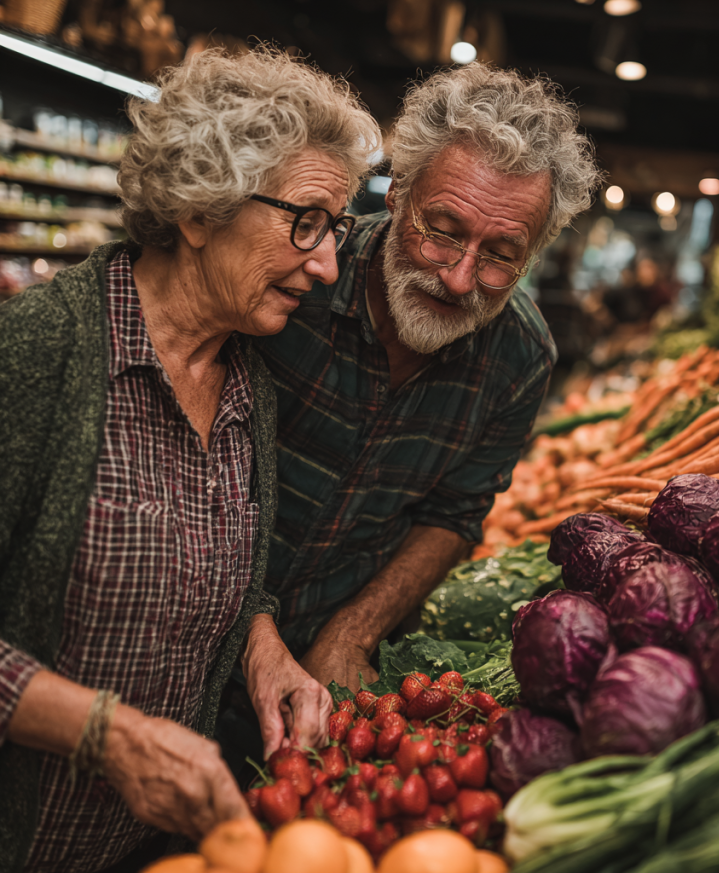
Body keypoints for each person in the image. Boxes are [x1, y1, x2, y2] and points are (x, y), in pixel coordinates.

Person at [0, 48, 380, 873]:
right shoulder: (37, 353)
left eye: (336, 229)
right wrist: (106, 734)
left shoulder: (250, 388)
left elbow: (211, 574)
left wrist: (259, 645)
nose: (326, 264)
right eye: (305, 220)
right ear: (202, 210)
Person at [257, 63, 600, 689]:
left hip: (331, 662)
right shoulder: (293, 281)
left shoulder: (521, 357)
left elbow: (454, 514)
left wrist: (351, 635)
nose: (460, 279)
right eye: (441, 232)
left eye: (501, 256)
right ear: (396, 194)